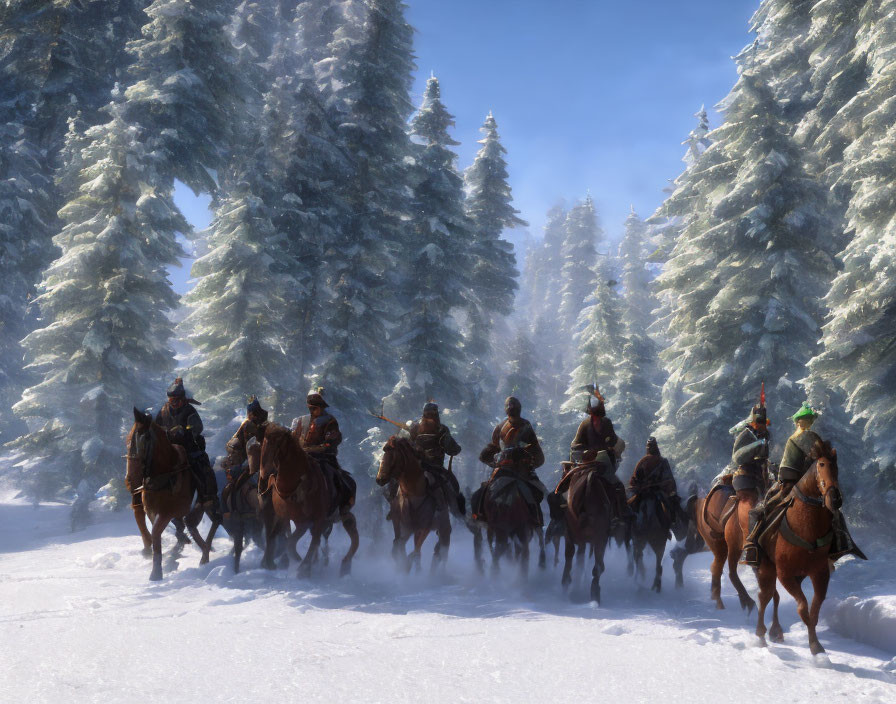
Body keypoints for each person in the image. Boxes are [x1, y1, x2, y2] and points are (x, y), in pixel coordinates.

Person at [740, 402, 819, 566]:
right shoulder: (747, 435)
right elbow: (738, 457)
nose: (761, 426)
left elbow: (783, 465)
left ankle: (752, 547)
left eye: (807, 419)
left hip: (785, 480)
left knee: (758, 511)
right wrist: (757, 446)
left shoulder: (790, 438)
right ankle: (751, 546)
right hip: (749, 477)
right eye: (805, 419)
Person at [155, 377, 221, 520]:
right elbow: (156, 427)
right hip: (169, 447)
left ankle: (208, 497)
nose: (174, 403)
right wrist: (166, 432)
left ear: (183, 399)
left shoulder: (189, 410)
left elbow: (197, 427)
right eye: (172, 400)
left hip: (189, 447)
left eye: (177, 400)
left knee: (203, 467)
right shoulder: (163, 411)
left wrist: (185, 430)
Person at [473, 396, 546, 525]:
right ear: (506, 409)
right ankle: (479, 515)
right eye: (510, 406)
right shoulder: (500, 426)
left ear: (519, 409)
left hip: (521, 469)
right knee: (483, 492)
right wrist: (489, 458)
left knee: (537, 491)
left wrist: (529, 461)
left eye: (514, 406)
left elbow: (534, 447)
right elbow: (494, 446)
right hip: (503, 467)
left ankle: (536, 520)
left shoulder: (525, 425)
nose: (512, 409)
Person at [569, 385, 631, 524]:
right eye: (594, 415)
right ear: (591, 413)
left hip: (603, 464)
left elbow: (613, 440)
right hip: (587, 463)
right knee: (564, 487)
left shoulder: (607, 423)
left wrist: (613, 449)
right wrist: (584, 451)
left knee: (618, 486)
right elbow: (575, 445)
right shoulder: (584, 425)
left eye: (598, 416)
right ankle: (564, 516)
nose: (596, 419)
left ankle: (619, 514)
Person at [291, 389, 355, 512]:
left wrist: (312, 449)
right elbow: (294, 439)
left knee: (337, 477)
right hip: (302, 458)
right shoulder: (301, 421)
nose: (312, 411)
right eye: (310, 408)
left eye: (315, 408)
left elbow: (329, 443)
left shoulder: (330, 421)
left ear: (321, 407)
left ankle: (341, 505)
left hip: (323, 457)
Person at [406, 402, 464, 515]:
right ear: (436, 415)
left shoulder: (414, 428)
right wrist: (456, 449)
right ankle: (456, 512)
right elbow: (452, 449)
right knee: (452, 485)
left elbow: (408, 445)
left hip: (417, 467)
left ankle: (393, 502)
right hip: (435, 468)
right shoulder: (441, 430)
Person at [628, 436, 687, 536]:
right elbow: (670, 480)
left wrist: (639, 487)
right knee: (674, 508)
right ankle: (677, 530)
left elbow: (633, 481)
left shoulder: (642, 462)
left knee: (629, 507)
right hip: (658, 493)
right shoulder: (662, 461)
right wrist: (671, 491)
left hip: (644, 494)